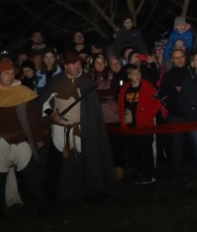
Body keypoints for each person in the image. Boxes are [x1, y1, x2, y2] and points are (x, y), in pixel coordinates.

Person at [40, 51, 116, 200]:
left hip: (82, 128)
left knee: (88, 159)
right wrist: (52, 114)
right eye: (72, 64)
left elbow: (92, 108)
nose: (76, 66)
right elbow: (44, 102)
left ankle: (92, 187)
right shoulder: (56, 82)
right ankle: (53, 194)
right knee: (56, 162)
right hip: (60, 129)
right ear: (65, 66)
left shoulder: (86, 82)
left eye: (78, 63)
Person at [0, 60, 49, 215]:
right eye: (6, 73)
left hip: (22, 141)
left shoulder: (23, 91)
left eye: (12, 73)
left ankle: (43, 207)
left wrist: (39, 138)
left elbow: (34, 118)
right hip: (1, 142)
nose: (10, 75)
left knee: (32, 175)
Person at [118, 64, 161, 184]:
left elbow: (157, 102)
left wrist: (147, 114)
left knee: (147, 150)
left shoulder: (147, 87)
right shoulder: (125, 90)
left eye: (138, 73)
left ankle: (150, 173)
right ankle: (139, 172)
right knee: (135, 151)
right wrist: (123, 122)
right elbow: (121, 107)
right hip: (131, 126)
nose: (136, 76)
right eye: (133, 74)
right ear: (129, 76)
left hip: (145, 125)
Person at [157, 47, 192, 174]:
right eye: (176, 57)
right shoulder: (167, 76)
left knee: (192, 142)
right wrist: (172, 99)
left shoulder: (192, 72)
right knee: (176, 143)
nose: (179, 60)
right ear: (172, 60)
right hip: (175, 114)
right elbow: (163, 96)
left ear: (185, 58)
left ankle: (193, 167)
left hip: (191, 114)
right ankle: (177, 169)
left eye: (181, 57)